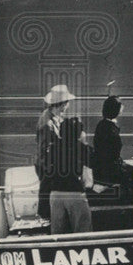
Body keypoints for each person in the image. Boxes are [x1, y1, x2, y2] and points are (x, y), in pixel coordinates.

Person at [36, 84, 75, 221]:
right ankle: (47, 219)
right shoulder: (48, 124)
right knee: (48, 194)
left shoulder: (52, 116)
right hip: (48, 165)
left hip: (47, 163)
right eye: (67, 102)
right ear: (62, 104)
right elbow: (47, 149)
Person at [48, 117, 93, 234]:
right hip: (75, 192)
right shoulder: (83, 148)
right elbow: (90, 174)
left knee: (58, 234)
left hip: (55, 193)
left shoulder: (52, 147)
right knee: (83, 232)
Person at [92, 95, 133, 194]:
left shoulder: (102, 125)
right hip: (110, 168)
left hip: (103, 165)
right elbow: (113, 154)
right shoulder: (111, 129)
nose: (123, 107)